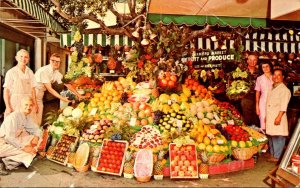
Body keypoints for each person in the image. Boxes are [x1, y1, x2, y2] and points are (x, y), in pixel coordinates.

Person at [34, 53, 84, 126]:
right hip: (34, 93)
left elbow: (66, 84)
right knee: (36, 118)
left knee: (39, 116)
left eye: (58, 62)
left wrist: (79, 95)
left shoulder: (56, 72)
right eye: (53, 61)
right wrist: (62, 98)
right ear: (50, 61)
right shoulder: (44, 71)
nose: (55, 63)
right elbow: (50, 89)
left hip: (41, 93)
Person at [0, 97, 41, 175]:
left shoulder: (26, 116)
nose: (28, 107)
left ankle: (9, 160)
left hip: (13, 141)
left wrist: (36, 137)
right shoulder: (14, 117)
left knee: (35, 141)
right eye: (26, 105)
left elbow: (36, 129)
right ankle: (3, 162)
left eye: (31, 105)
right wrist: (24, 148)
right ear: (21, 105)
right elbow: (8, 137)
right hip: (2, 143)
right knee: (29, 153)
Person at [3, 49, 38, 119]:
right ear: (16, 58)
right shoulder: (11, 72)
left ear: (28, 59)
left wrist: (35, 104)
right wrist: (8, 106)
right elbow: (6, 91)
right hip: (15, 103)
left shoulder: (30, 72)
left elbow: (33, 89)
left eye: (26, 57)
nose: (23, 59)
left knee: (28, 125)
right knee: (15, 125)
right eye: (21, 56)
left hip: (28, 104)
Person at [266, 69, 291, 163]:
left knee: (278, 136)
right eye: (274, 75)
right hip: (271, 116)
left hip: (278, 116)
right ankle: (273, 155)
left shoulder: (284, 90)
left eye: (279, 75)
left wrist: (279, 117)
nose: (276, 77)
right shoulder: (273, 88)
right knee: (272, 136)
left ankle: (277, 156)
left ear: (283, 77)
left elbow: (284, 106)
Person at [241, 54, 260, 126]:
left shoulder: (260, 72)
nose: (252, 62)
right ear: (247, 61)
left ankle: (256, 133)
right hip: (246, 96)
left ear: (257, 61)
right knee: (247, 117)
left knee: (256, 117)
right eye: (250, 60)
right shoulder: (242, 71)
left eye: (254, 60)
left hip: (257, 96)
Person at [255, 60, 273, 130]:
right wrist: (257, 106)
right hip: (263, 102)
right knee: (263, 120)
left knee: (272, 120)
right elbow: (257, 92)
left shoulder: (275, 76)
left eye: (267, 66)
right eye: (263, 67)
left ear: (270, 67)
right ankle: (265, 139)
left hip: (274, 102)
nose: (265, 68)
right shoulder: (259, 79)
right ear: (261, 69)